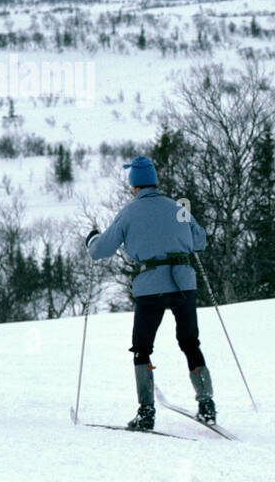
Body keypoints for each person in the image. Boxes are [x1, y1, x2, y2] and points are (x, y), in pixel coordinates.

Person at [86, 156, 215, 431]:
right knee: (190, 343)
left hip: (151, 287)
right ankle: (207, 405)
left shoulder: (129, 213)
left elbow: (101, 250)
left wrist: (92, 239)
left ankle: (146, 412)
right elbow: (200, 241)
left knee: (142, 348)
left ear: (134, 185)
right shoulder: (176, 207)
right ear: (155, 180)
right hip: (183, 283)